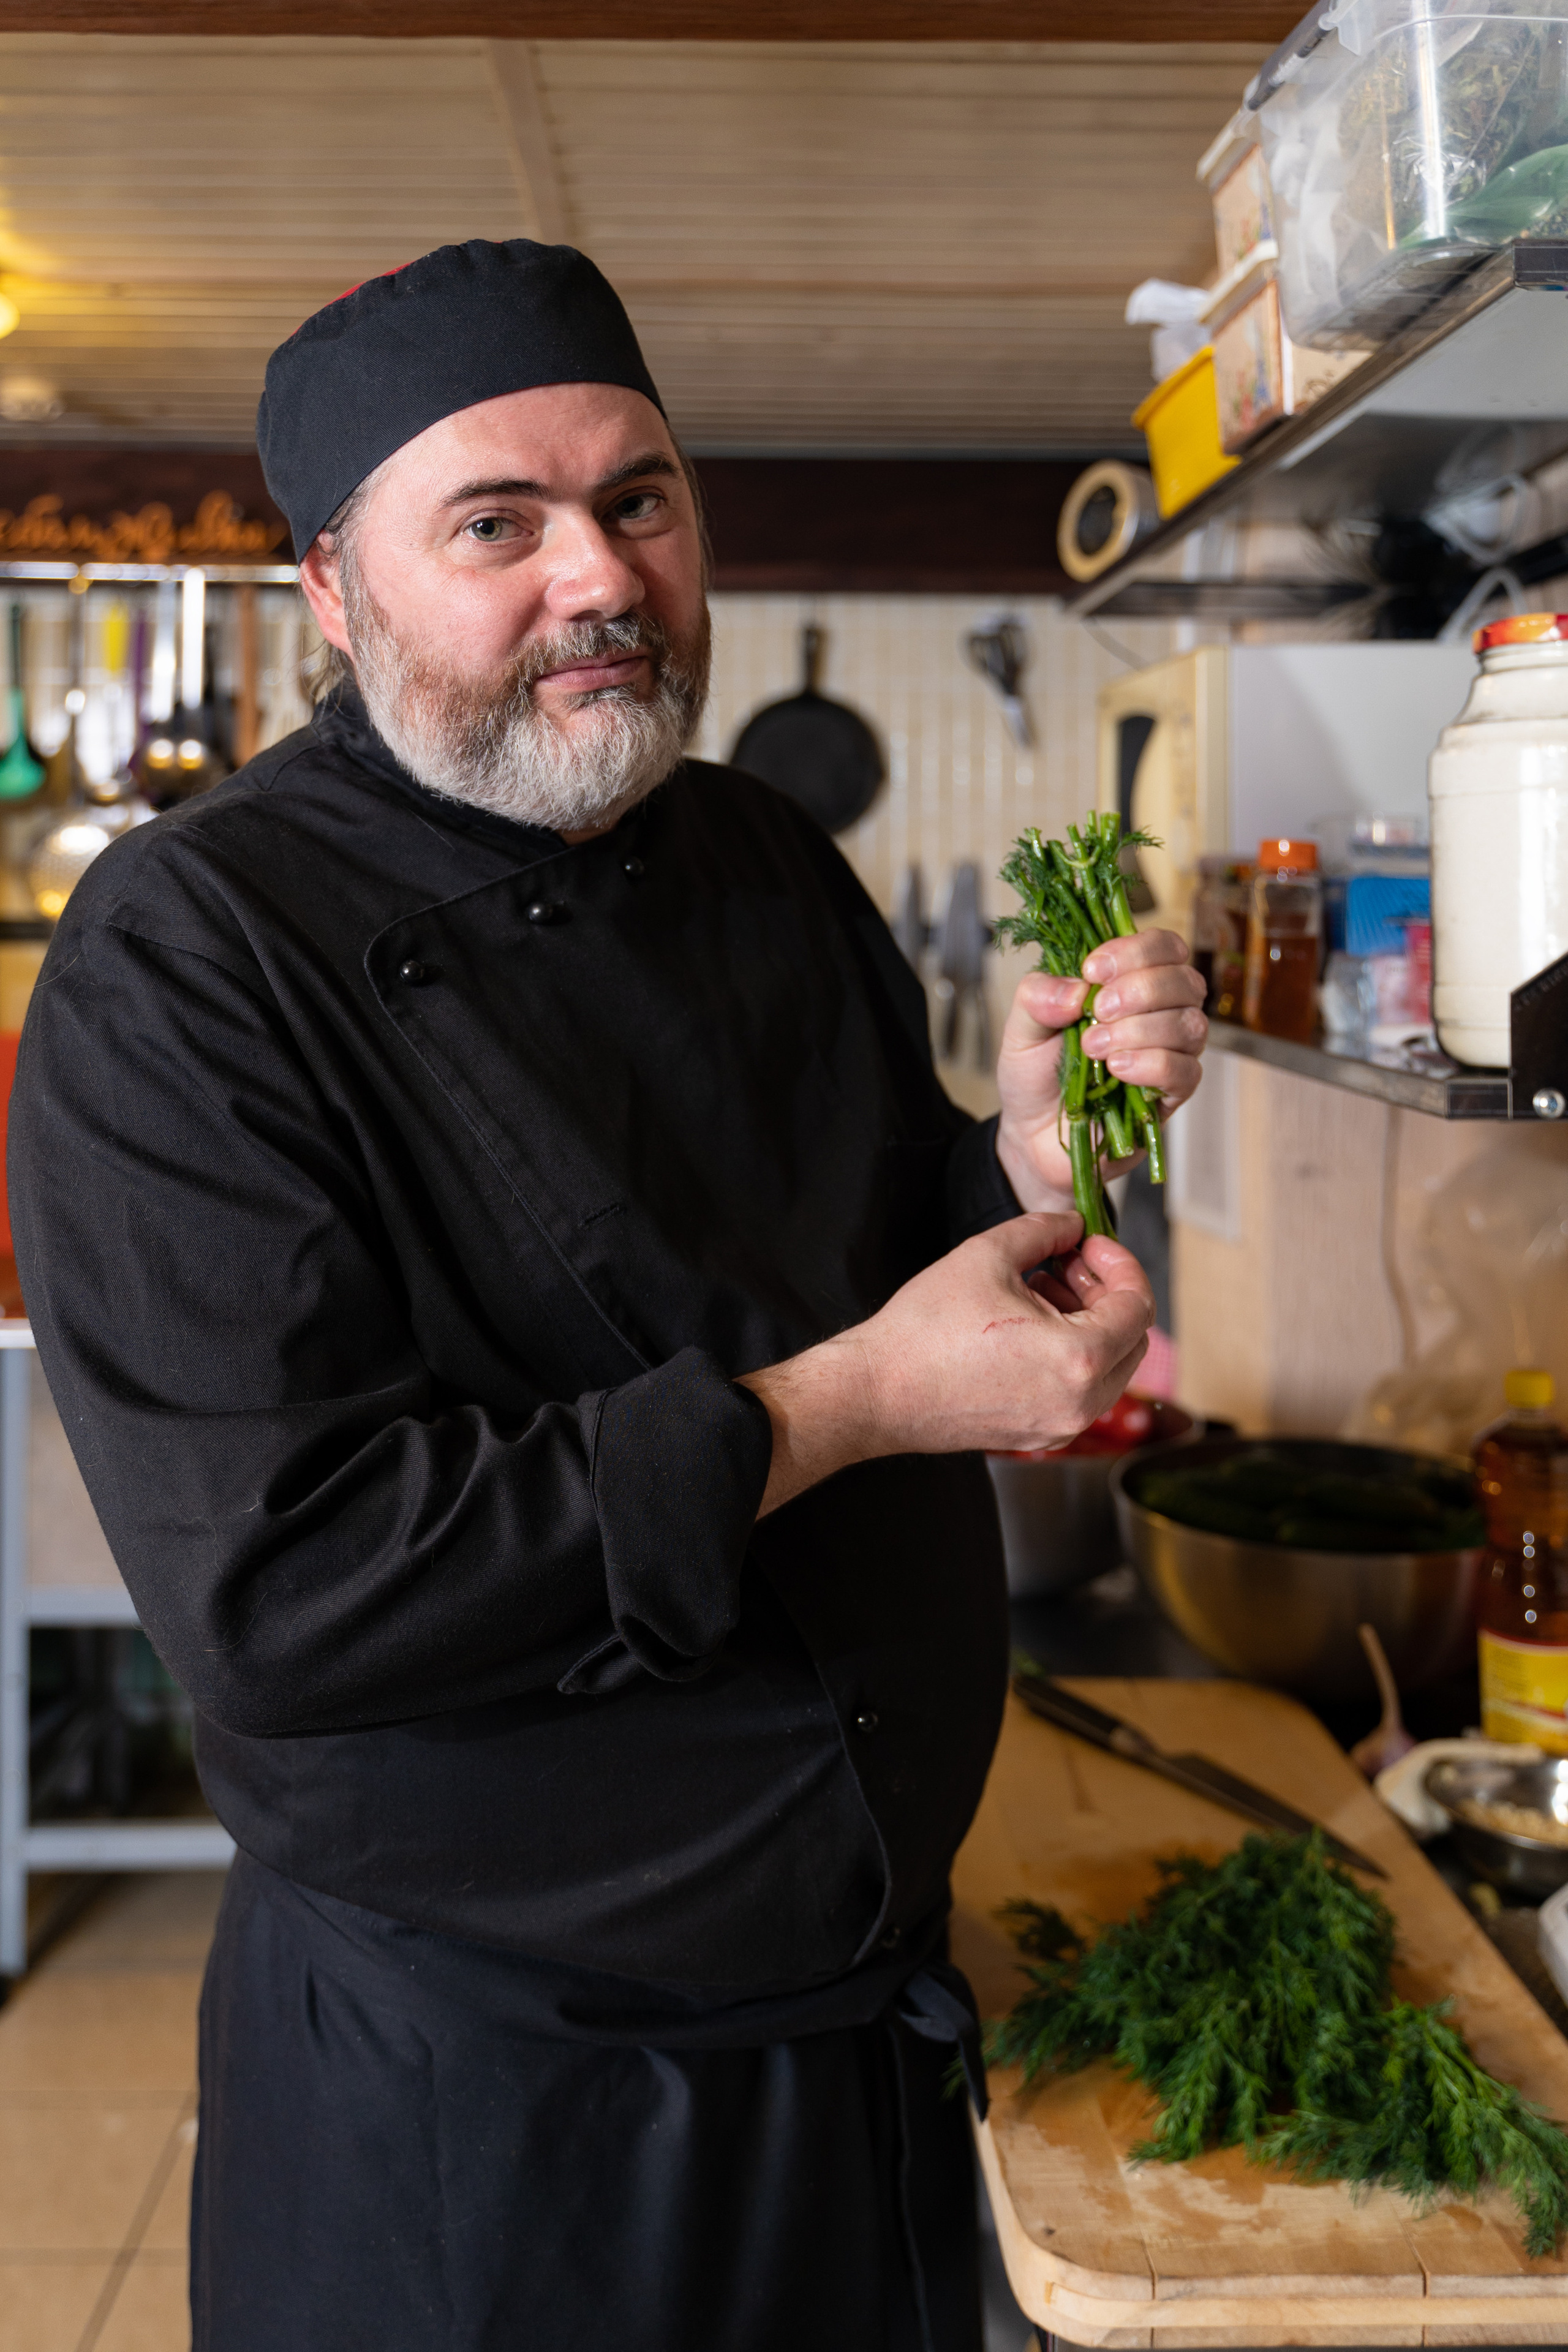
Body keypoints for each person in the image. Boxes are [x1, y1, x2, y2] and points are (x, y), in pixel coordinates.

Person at [8, 240, 1207, 2352]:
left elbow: (864, 1232)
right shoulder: (192, 960)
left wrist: (1019, 1162)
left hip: (864, 2025)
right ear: (333, 592)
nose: (601, 577)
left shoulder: (759, 856)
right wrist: (848, 1403)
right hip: (502, 2119)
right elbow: (298, 1592)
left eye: (638, 499)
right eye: (498, 522)